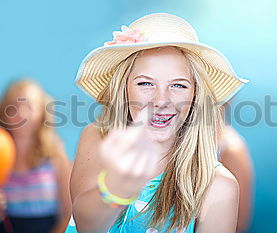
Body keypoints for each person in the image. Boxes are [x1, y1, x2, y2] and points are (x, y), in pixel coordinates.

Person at [66, 13, 249, 233]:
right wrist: (119, 186)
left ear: (195, 96)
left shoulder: (219, 186)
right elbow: (87, 226)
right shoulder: (98, 136)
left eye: (178, 86)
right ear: (124, 89)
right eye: (145, 83)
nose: (161, 101)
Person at [0, 79, 72, 233]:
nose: (21, 113)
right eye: (13, 107)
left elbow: (69, 210)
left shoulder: (55, 153)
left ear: (42, 112)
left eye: (29, 106)